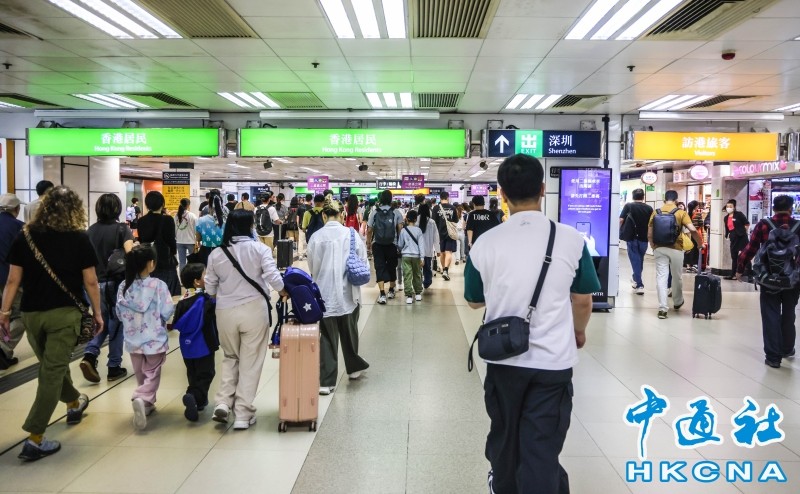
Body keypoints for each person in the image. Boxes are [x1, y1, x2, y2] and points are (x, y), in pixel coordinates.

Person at [464, 154, 599, 494]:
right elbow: (583, 299)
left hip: (503, 359)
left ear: (501, 193)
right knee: (542, 444)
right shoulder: (571, 239)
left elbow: (474, 300)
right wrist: (578, 331)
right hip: (553, 362)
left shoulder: (485, 242)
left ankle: (503, 485)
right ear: (542, 189)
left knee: (505, 435)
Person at [0, 186, 101, 461]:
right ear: (75, 209)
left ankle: (74, 402)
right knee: (51, 372)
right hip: (64, 315)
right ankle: (35, 438)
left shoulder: (25, 236)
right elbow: (91, 281)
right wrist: (97, 313)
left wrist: (5, 312)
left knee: (51, 365)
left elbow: (13, 280)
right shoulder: (79, 239)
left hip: (32, 314)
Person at [205, 210, 287, 429]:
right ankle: (242, 413)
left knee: (230, 357)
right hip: (254, 311)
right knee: (250, 362)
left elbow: (210, 287)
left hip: (225, 312)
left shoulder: (217, 253)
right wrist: (283, 291)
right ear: (250, 226)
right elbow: (274, 277)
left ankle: (223, 403)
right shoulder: (260, 249)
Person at [306, 197, 369, 395]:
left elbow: (312, 267)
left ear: (324, 216)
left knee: (327, 337)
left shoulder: (316, 237)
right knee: (350, 332)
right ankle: (354, 369)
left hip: (324, 294)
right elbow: (363, 261)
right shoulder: (351, 234)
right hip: (348, 293)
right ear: (342, 215)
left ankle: (326, 382)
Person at [116, 245, 175, 430]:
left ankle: (146, 405)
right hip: (154, 339)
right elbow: (167, 310)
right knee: (152, 374)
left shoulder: (124, 286)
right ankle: (141, 398)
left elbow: (119, 313)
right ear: (151, 264)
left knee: (141, 374)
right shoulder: (158, 285)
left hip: (133, 339)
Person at [736, 194, 799, 368]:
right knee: (789, 313)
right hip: (792, 280)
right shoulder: (798, 226)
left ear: (773, 208)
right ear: (791, 209)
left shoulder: (764, 225)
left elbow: (750, 249)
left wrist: (740, 269)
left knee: (770, 314)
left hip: (768, 278)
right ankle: (787, 348)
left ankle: (773, 357)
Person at [81, 193, 135, 384]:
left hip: (93, 283)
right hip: (115, 283)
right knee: (117, 324)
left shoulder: (90, 231)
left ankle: (90, 354)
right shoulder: (122, 229)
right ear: (117, 209)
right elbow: (131, 254)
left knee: (101, 321)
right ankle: (114, 366)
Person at [172, 263, 219, 421]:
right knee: (206, 373)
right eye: (205, 274)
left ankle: (199, 402)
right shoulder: (205, 301)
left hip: (186, 347)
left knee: (193, 374)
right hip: (203, 345)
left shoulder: (182, 302)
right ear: (197, 282)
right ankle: (192, 396)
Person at [648, 190, 705, 320]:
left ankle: (662, 308)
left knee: (661, 277)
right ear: (676, 200)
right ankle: (678, 301)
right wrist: (699, 243)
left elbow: (649, 233)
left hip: (659, 248)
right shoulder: (681, 213)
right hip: (676, 248)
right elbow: (693, 229)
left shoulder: (656, 212)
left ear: (664, 199)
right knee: (677, 276)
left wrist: (653, 246)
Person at [136, 191, 180, 296]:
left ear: (147, 205)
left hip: (147, 262)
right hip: (164, 261)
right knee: (168, 293)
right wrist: (173, 254)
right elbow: (171, 241)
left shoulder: (141, 221)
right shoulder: (168, 219)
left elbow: (142, 241)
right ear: (162, 204)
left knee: (150, 294)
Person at [0, 194, 25, 370]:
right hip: (10, 281)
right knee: (21, 316)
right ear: (16, 209)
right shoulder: (19, 227)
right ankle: (3, 348)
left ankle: (4, 353)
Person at [367, 190, 404, 304]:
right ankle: (391, 290)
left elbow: (369, 229)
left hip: (377, 244)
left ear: (381, 199)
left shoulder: (374, 212)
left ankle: (382, 294)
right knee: (392, 267)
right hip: (392, 244)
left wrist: (368, 243)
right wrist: (400, 244)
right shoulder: (396, 212)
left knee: (379, 267)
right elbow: (400, 229)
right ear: (391, 199)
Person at [619, 189, 653, 295]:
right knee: (639, 260)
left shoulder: (628, 206)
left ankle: (639, 285)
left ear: (633, 196)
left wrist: (618, 231)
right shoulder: (649, 208)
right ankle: (635, 278)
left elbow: (621, 220)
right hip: (644, 238)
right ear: (643, 197)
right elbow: (652, 223)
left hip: (632, 237)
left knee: (635, 260)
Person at [397, 210, 424, 304]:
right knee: (417, 274)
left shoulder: (403, 230)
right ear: (416, 219)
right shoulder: (418, 230)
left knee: (407, 275)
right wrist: (422, 258)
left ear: (407, 219)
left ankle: (409, 296)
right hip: (416, 256)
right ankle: (418, 294)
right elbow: (421, 245)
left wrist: (401, 249)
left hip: (406, 256)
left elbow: (400, 245)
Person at [195, 190, 226, 265]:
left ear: (209, 204)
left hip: (206, 251)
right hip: (223, 251)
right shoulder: (226, 220)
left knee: (207, 270)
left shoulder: (201, 220)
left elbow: (198, 238)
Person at [432, 191, 457, 281]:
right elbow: (456, 221)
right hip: (450, 233)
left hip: (439, 234)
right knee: (448, 252)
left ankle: (443, 270)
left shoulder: (436, 208)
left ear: (440, 198)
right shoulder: (453, 208)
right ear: (447, 197)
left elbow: (433, 221)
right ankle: (446, 270)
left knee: (442, 253)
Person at [724, 199, 750, 280]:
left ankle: (748, 273)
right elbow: (727, 228)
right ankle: (733, 274)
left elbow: (747, 223)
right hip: (733, 238)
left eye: (730, 206)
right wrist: (726, 235)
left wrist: (743, 232)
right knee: (734, 256)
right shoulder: (726, 218)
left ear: (734, 207)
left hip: (742, 238)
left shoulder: (739, 215)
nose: (728, 208)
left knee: (745, 255)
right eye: (727, 206)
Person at [418, 203, 440, 290]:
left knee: (417, 269)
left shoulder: (415, 221)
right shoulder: (432, 222)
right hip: (428, 250)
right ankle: (427, 282)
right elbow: (436, 237)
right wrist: (438, 250)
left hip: (417, 251)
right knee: (427, 268)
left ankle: (418, 283)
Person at [175, 198, 198, 272]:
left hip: (179, 241)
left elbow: (175, 229)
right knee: (192, 261)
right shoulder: (192, 216)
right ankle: (192, 276)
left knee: (182, 262)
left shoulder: (176, 216)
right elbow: (196, 230)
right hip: (190, 241)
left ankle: (182, 277)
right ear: (188, 205)